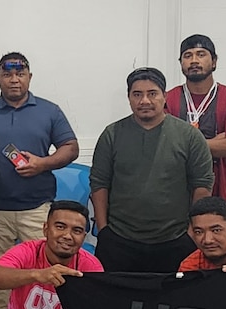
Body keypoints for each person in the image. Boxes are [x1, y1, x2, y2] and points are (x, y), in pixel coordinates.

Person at [0, 52, 79, 309]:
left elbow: (70, 148)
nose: (14, 80)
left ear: (29, 77)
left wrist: (42, 163)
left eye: (20, 74)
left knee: (46, 270)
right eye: (7, 75)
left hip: (37, 209)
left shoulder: (49, 111)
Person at [90, 67, 214, 273]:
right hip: (120, 240)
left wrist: (192, 232)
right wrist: (104, 230)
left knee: (172, 300)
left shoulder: (190, 137)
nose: (144, 101)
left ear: (165, 97)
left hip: (175, 239)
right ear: (129, 98)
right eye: (137, 94)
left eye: (152, 94)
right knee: (117, 301)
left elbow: (202, 186)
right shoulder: (111, 134)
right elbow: (99, 184)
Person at [165, 34, 226, 213]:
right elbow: (163, 146)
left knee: (215, 238)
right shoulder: (167, 99)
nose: (194, 60)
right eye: (188, 56)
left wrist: (182, 142)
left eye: (201, 54)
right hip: (175, 184)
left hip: (220, 182)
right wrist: (216, 141)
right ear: (181, 63)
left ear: (214, 61)